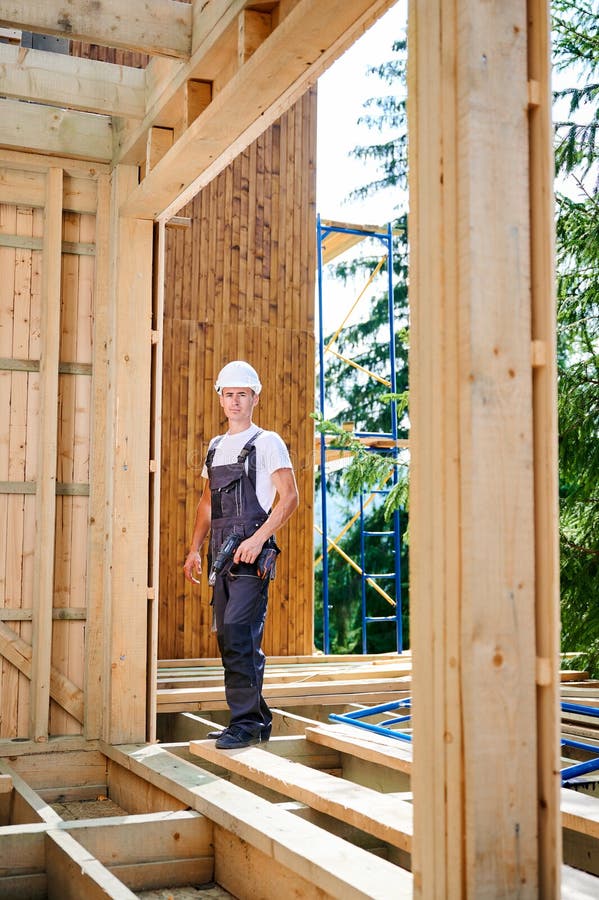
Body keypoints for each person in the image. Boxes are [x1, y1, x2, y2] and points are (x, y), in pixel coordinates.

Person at [183, 360, 298, 749]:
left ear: (255, 398)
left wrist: (258, 539)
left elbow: (290, 498)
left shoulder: (267, 442)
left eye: (242, 394)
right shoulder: (215, 447)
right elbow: (205, 504)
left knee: (238, 633)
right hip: (220, 555)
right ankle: (254, 719)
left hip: (252, 554)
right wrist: (194, 549)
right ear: (220, 398)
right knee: (231, 636)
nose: (235, 401)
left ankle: (246, 723)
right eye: (228, 394)